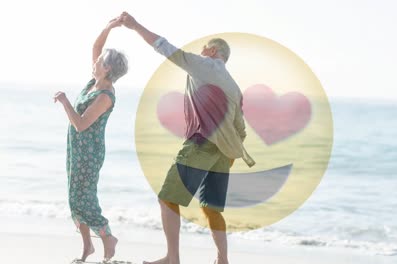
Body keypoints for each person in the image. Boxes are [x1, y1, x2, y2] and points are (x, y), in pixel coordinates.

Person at [120, 11, 254, 264]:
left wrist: (135, 25)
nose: (200, 53)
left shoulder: (204, 65)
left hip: (201, 143)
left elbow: (165, 48)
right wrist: (230, 157)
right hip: (225, 153)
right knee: (211, 208)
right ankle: (222, 260)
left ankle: (172, 258)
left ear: (213, 52)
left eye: (204, 49)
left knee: (168, 198)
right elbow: (241, 129)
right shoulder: (234, 87)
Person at [53, 17, 128, 263]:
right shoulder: (94, 83)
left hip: (89, 152)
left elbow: (82, 124)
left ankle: (107, 236)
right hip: (75, 148)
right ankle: (87, 247)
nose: (94, 61)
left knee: (82, 198)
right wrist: (108, 27)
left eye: (99, 61)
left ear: (107, 68)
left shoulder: (106, 94)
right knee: (73, 196)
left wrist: (65, 102)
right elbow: (96, 48)